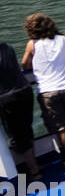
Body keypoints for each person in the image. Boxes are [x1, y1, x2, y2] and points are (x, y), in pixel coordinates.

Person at [21, 13, 65, 169]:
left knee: (61, 128)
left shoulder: (32, 44)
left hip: (48, 91)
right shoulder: (63, 39)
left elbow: (25, 64)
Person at [0, 42, 40, 178]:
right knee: (26, 128)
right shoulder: (7, 47)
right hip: (24, 91)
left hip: (7, 97)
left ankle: (34, 170)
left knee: (17, 135)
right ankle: (33, 163)